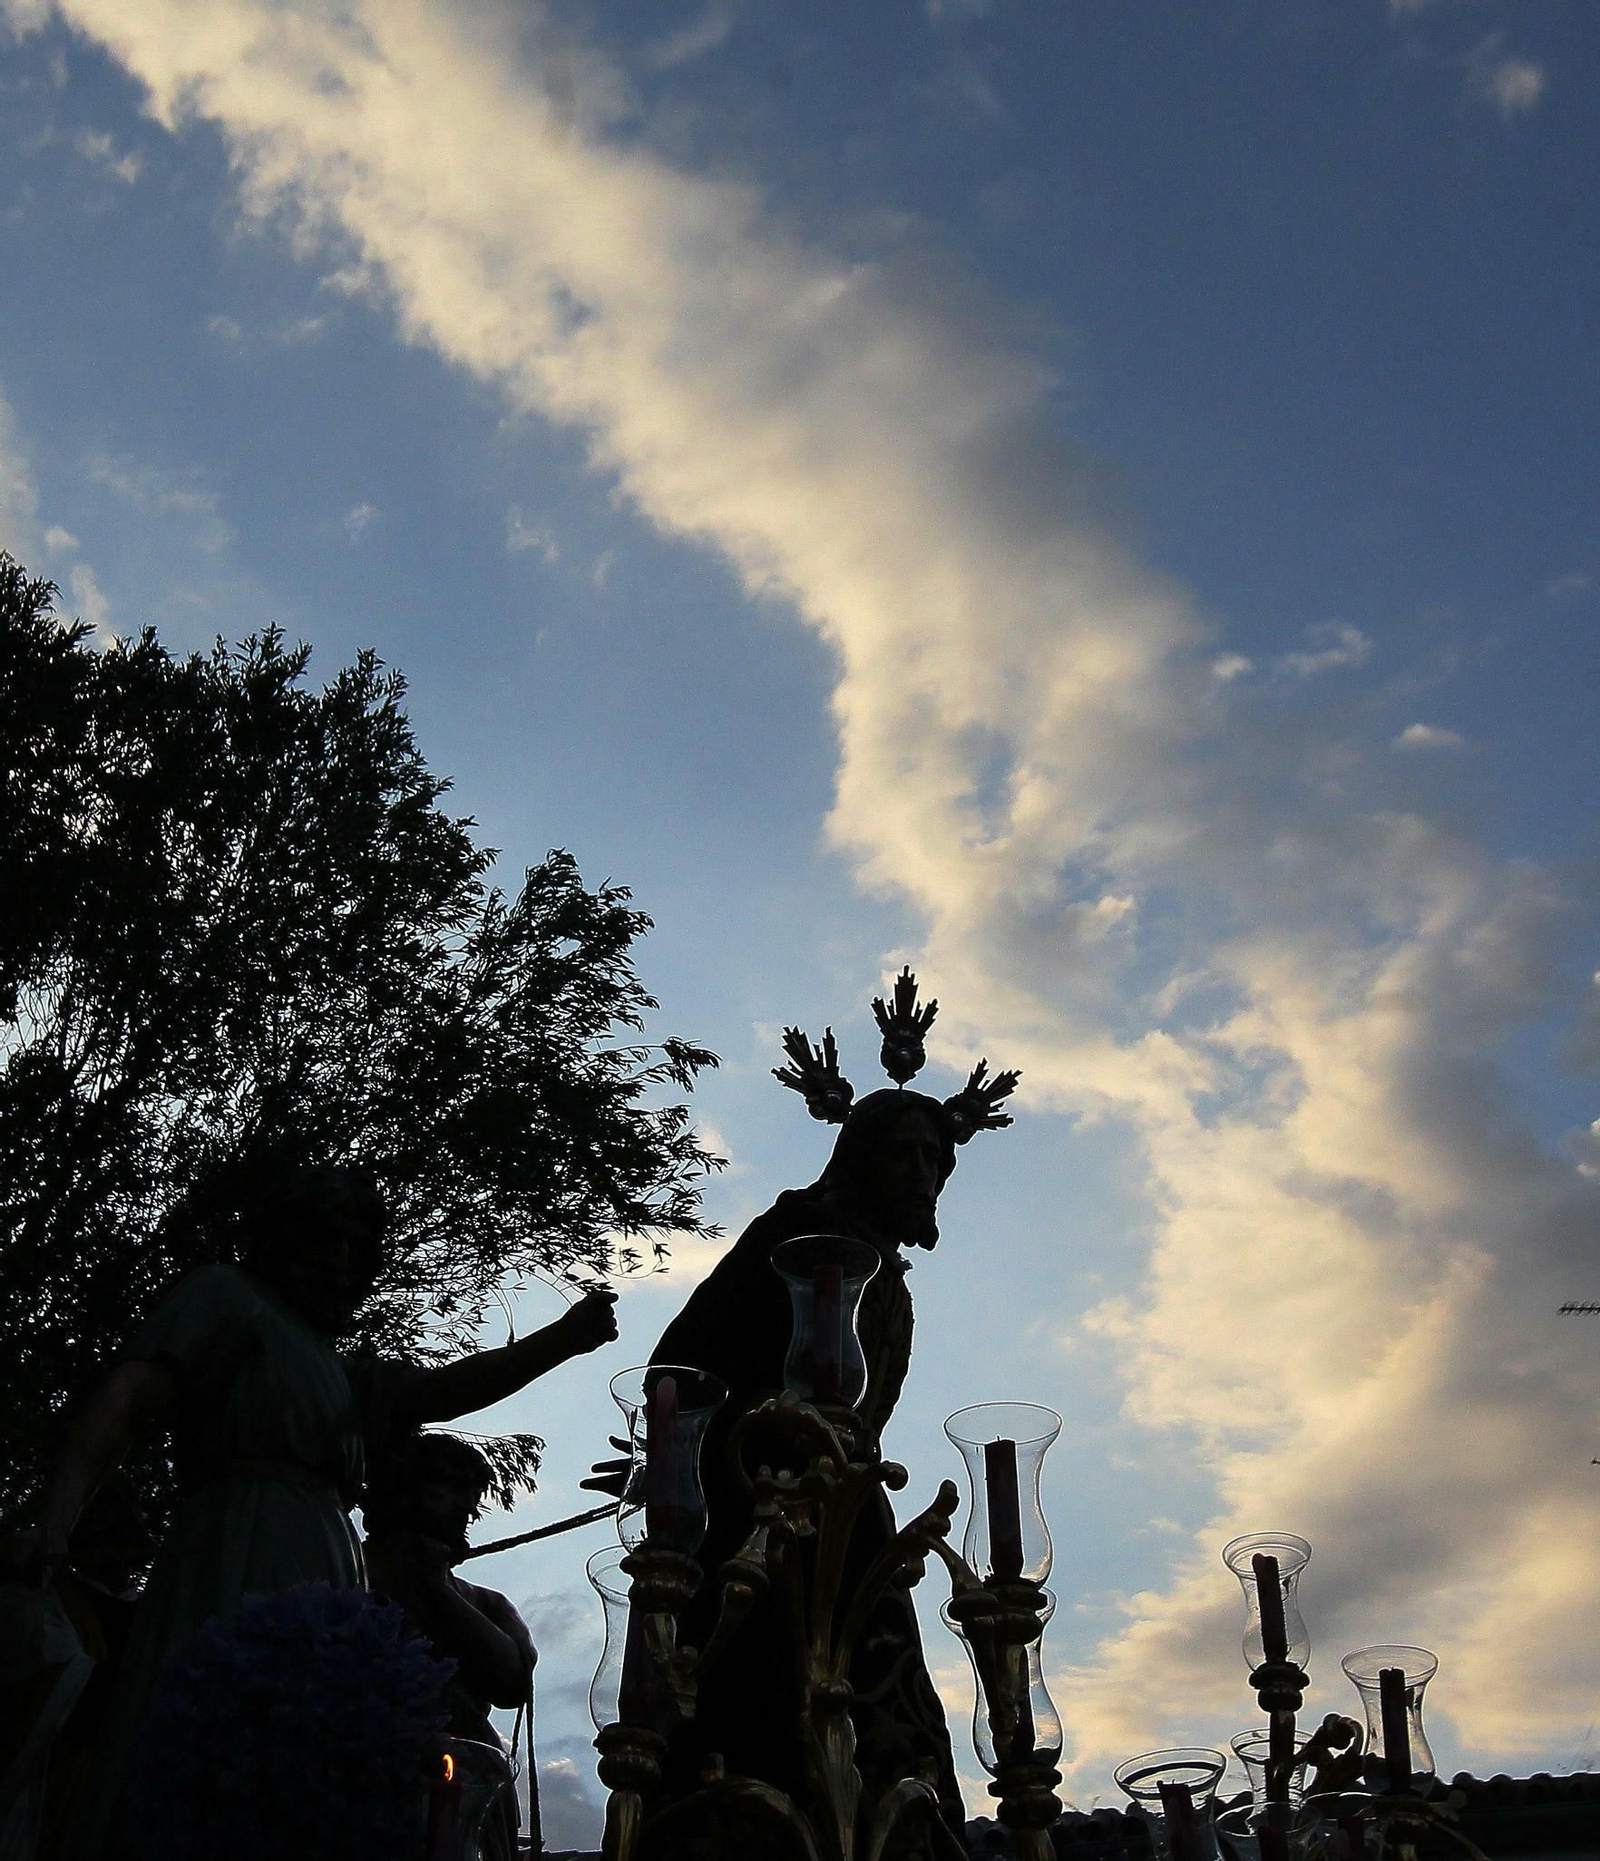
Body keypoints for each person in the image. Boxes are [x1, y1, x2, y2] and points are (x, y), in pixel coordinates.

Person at [7, 1162, 617, 1856]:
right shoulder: (227, 1298)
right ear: (285, 1238)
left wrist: (563, 1339)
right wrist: (55, 1524)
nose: (341, 1261)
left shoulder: (339, 1366)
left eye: (358, 1247)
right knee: (221, 1753)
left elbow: (443, 1390)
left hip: (328, 1574)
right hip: (236, 1549)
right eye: (327, 1238)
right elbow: (122, 1403)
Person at [595, 978, 1018, 1849]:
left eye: (937, 1159)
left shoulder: (886, 1276)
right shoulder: (796, 1235)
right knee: (761, 1726)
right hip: (762, 1522)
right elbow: (680, 1362)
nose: (924, 1172)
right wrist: (720, 1446)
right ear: (860, 1156)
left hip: (852, 1519)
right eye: (904, 1154)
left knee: (879, 1749)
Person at [361, 1431, 535, 1861]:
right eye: (449, 1489)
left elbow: (514, 1681)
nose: (465, 1511)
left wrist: (437, 1585)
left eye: (471, 1500)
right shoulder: (342, 1580)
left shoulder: (485, 1603)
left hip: (464, 1792)